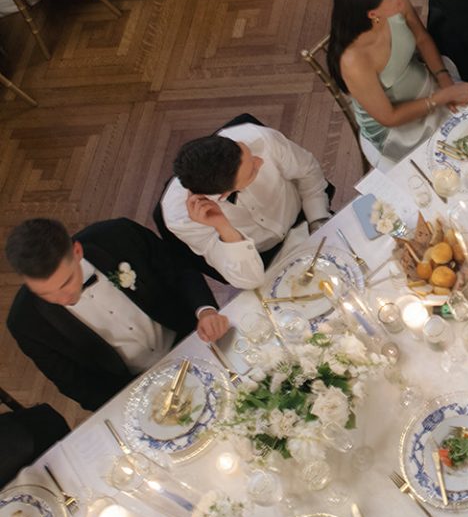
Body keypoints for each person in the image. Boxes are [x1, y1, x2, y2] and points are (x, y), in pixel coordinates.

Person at [5, 217, 228, 413]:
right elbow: (77, 385)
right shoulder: (25, 323)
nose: (61, 298)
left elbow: (180, 271)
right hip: (143, 394)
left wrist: (205, 311)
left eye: (65, 283)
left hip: (197, 340)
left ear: (77, 251)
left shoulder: (119, 236)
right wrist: (138, 407)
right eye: (45, 293)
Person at [326, 0, 468, 165]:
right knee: (454, 158)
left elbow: (422, 38)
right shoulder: (353, 61)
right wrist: (442, 97)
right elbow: (389, 117)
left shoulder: (397, 2)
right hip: (398, 127)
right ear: (373, 14)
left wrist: (445, 80)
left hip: (429, 84)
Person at [159, 120, 331, 290]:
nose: (259, 162)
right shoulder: (180, 217)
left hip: (307, 216)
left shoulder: (259, 138)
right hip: (266, 261)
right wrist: (223, 227)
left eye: (247, 152)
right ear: (225, 193)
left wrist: (317, 220)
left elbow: (308, 171)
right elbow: (250, 280)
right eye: (252, 171)